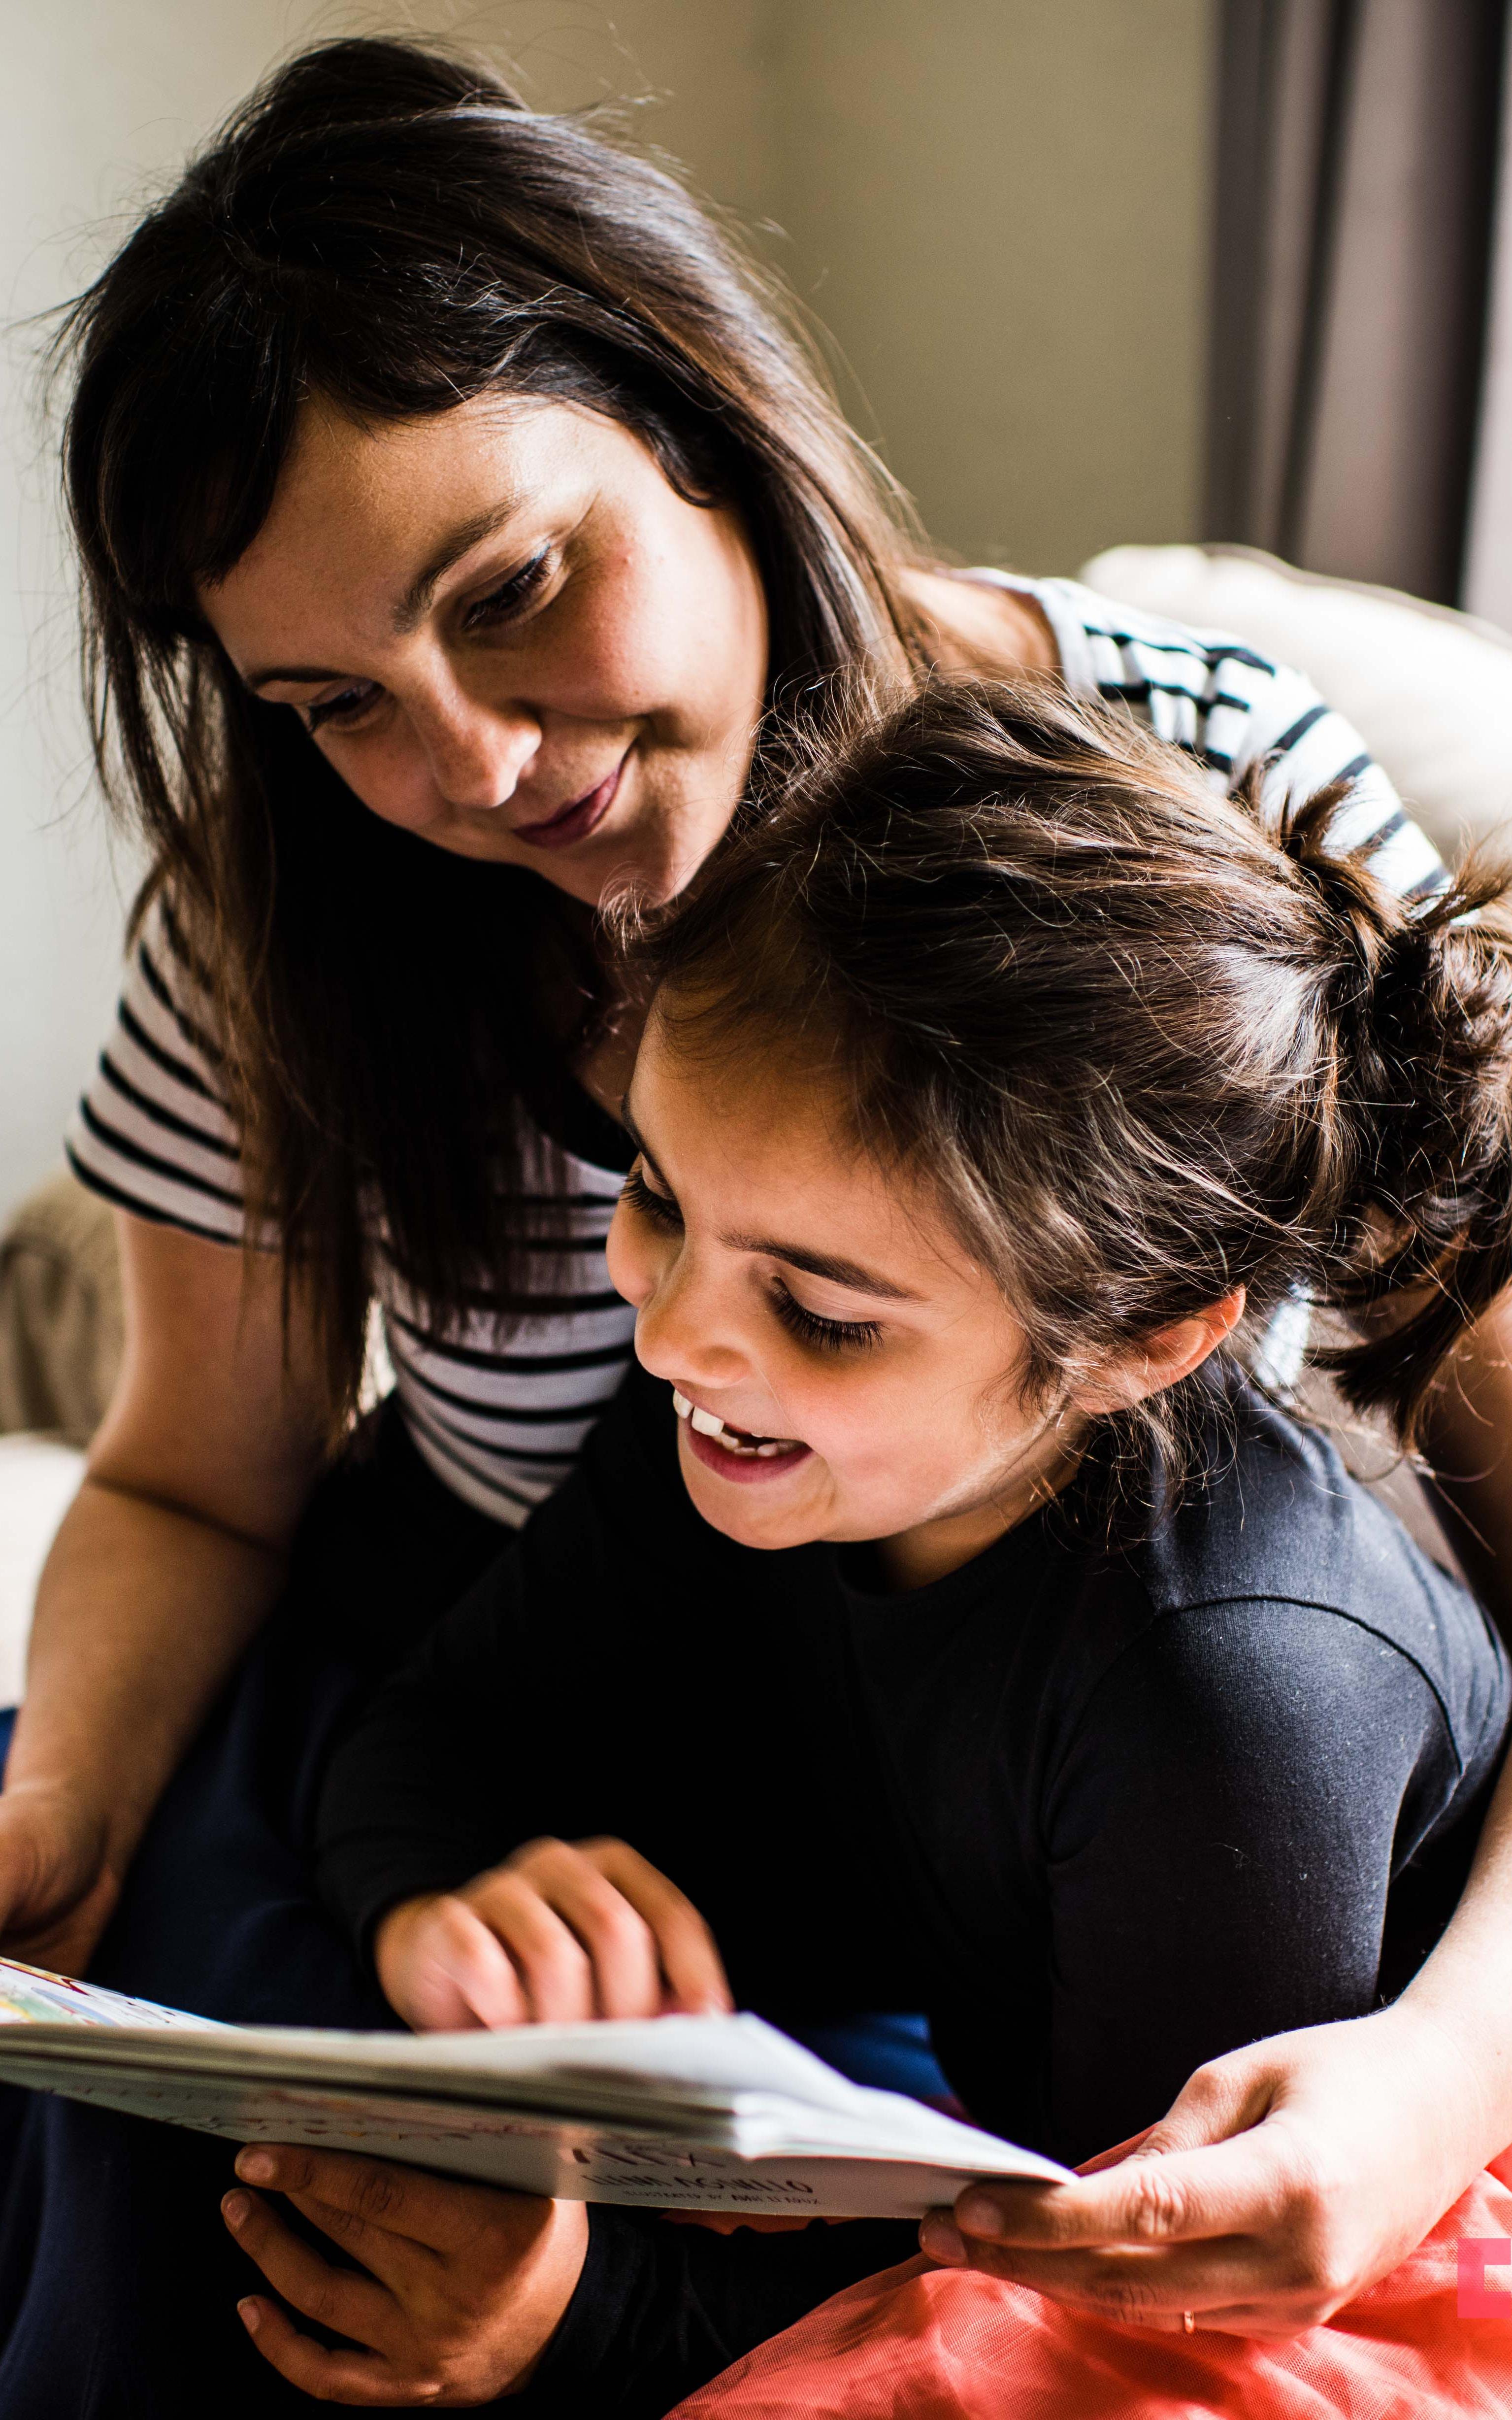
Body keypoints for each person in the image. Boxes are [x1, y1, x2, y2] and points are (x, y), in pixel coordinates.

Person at [1, 25, 1511, 2355]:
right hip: (497, 1716)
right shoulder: (300, 906)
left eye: (513, 586)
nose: (468, 766)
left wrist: (1439, 2071)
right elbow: (205, 1481)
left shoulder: (1203, 803)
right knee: (171, 2221)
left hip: (962, 1851)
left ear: (698, 422)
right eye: (331, 700)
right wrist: (82, 1804)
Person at [208, 682, 1512, 2409]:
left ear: (1143, 1342)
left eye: (821, 1312)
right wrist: (441, 1895)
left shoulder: (1233, 1691)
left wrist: (574, 2326)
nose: (672, 1335)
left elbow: (1086, 2298)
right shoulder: (736, 1404)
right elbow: (432, 1730)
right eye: (659, 1194)